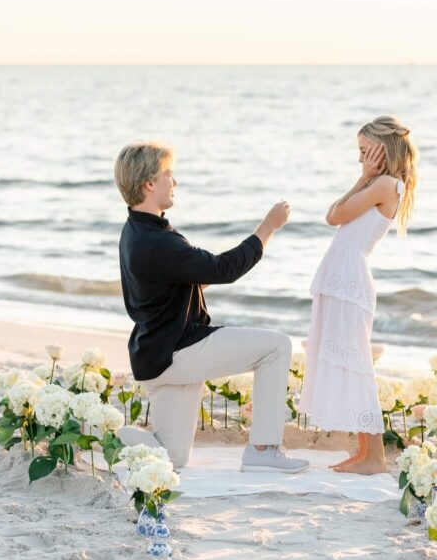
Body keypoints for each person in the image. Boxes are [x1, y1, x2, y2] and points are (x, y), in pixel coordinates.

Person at [115, 141, 309, 474]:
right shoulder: (158, 241)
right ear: (149, 183)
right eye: (168, 174)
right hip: (177, 352)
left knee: (172, 459)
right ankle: (263, 449)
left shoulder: (138, 231)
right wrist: (269, 226)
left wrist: (192, 281)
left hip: (156, 357)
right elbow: (224, 269)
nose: (174, 182)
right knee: (277, 347)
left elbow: (165, 283)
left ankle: (99, 432)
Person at [299, 116, 418, 475]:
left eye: (366, 152)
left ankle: (375, 457)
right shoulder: (377, 183)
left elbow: (338, 216)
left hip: (350, 279)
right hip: (342, 276)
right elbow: (332, 215)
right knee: (351, 360)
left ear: (384, 151)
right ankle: (365, 452)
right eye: (360, 153)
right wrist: (363, 177)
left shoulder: (385, 184)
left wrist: (364, 177)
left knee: (357, 362)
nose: (361, 160)